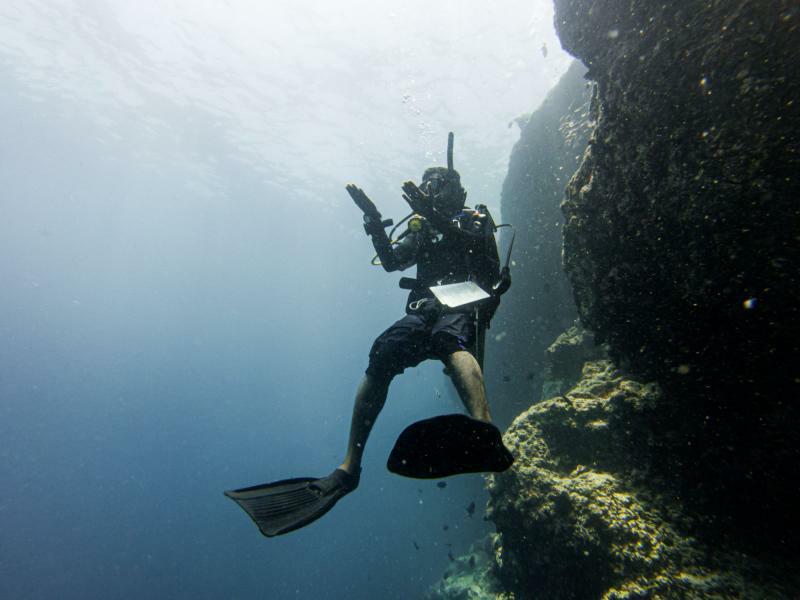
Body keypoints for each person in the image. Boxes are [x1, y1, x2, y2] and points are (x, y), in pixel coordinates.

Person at [225, 133, 513, 537]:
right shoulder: (421, 227)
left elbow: (473, 247)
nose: (429, 192)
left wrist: (431, 214)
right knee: (382, 353)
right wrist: (375, 223)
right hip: (427, 306)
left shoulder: (473, 218)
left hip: (465, 302)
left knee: (451, 341)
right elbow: (393, 262)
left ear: (455, 191)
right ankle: (348, 468)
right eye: (426, 187)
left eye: (437, 186)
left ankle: (483, 429)